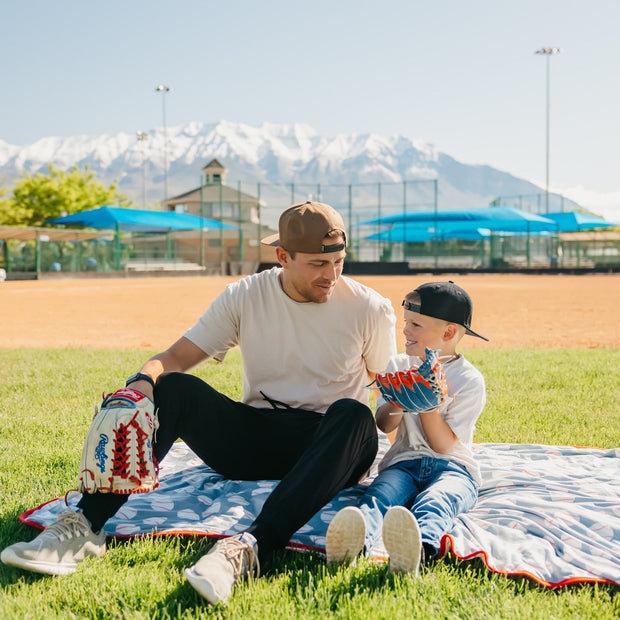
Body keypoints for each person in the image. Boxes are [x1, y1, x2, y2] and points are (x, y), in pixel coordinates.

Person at [1, 201, 396, 604]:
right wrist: (139, 386)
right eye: (317, 264)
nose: (331, 275)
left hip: (331, 446)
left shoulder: (370, 308)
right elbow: (172, 359)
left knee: (355, 414)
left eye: (339, 261)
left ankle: (248, 549)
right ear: (282, 257)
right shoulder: (246, 295)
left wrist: (404, 405)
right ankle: (85, 525)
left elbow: (386, 413)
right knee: (171, 386)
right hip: (254, 441)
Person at [325, 281, 487, 575]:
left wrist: (428, 406)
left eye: (415, 324)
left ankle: (417, 551)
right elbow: (383, 423)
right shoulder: (398, 364)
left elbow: (443, 446)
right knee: (380, 496)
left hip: (453, 467)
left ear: (448, 333)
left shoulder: (468, 380)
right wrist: (399, 402)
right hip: (404, 462)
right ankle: (353, 544)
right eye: (405, 322)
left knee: (437, 500)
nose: (405, 331)